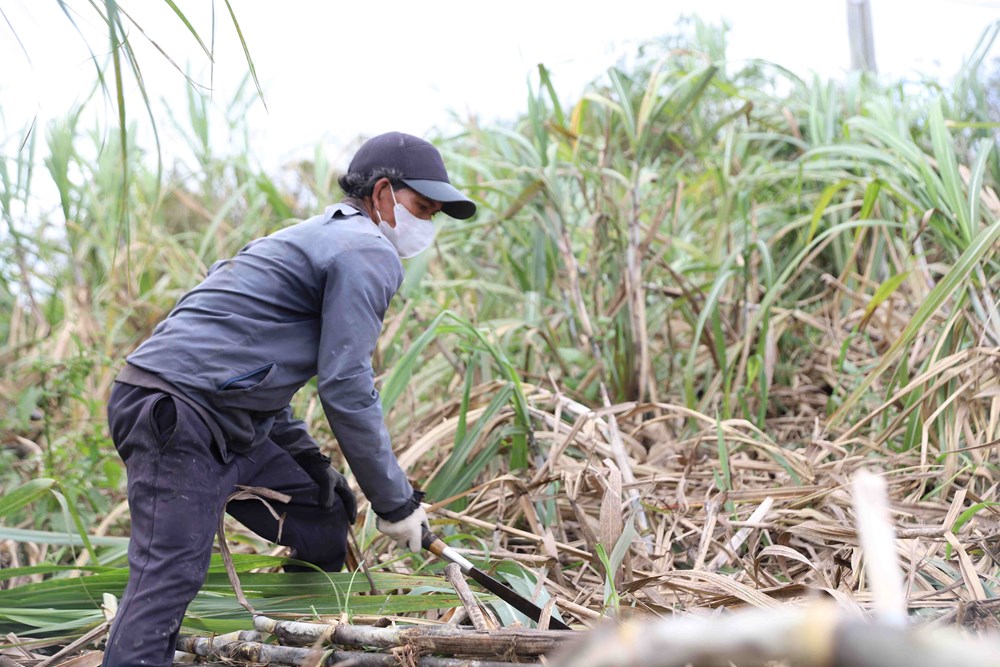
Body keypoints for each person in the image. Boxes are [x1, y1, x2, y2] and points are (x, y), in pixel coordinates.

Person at [101, 132, 477, 666]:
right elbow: (346, 386)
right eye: (421, 207)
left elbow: (253, 375)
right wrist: (396, 504)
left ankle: (295, 637)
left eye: (434, 215)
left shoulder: (307, 238)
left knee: (324, 512)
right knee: (171, 571)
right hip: (178, 415)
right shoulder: (366, 250)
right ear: (383, 193)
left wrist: (307, 458)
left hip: (223, 418)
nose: (426, 224)